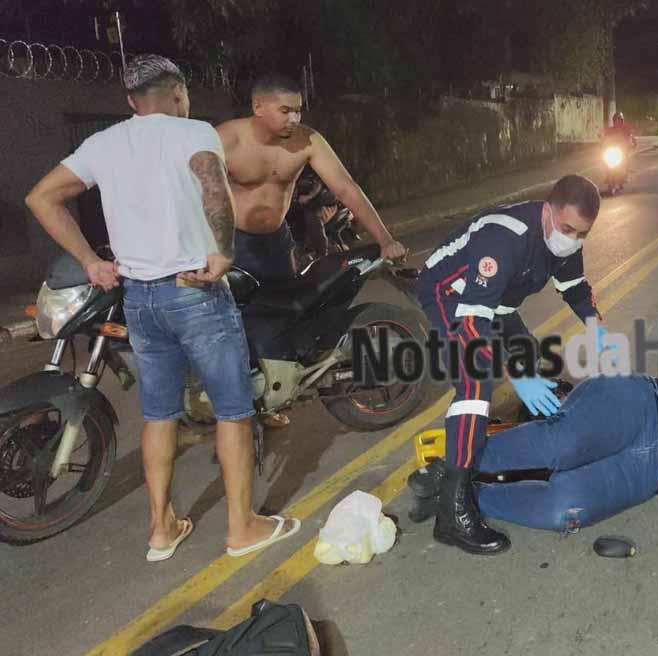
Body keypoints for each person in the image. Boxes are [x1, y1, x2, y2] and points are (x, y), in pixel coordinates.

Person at [24, 54, 300, 561]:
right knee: (234, 414)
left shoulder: (102, 144)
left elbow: (42, 198)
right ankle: (241, 528)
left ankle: (161, 529)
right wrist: (224, 252)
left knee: (158, 415)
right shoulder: (191, 131)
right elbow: (212, 184)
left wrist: (89, 260)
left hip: (138, 297)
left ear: (132, 101)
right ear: (178, 94)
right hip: (194, 291)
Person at [416, 174, 612, 554]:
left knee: (536, 364)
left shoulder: (568, 242)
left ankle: (483, 459)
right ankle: (453, 513)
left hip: (497, 303)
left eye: (582, 233)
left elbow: (573, 286)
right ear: (548, 210)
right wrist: (515, 373)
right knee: (476, 382)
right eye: (567, 228)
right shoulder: (503, 237)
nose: (572, 239)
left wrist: (594, 324)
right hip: (450, 296)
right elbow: (474, 321)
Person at [409, 358, 658, 532]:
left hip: (648, 473)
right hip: (644, 405)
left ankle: (463, 496)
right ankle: (453, 460)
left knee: (563, 509)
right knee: (562, 444)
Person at [216, 72, 406, 285]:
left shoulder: (308, 140)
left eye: (298, 111)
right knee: (240, 315)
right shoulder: (225, 140)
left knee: (289, 310)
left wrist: (385, 240)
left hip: (278, 239)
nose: (294, 119)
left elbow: (345, 188)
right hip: (234, 241)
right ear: (257, 107)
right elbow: (195, 196)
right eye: (285, 111)